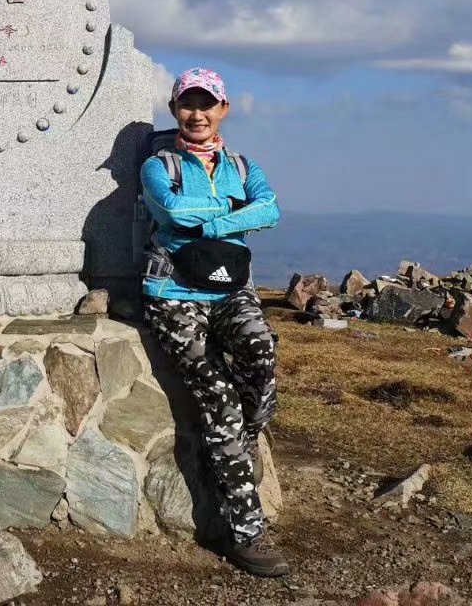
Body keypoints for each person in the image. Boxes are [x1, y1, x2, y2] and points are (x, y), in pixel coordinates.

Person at [139, 67, 286, 578]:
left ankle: (244, 441)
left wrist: (217, 216)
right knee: (217, 398)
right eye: (187, 104)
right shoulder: (159, 165)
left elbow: (270, 209)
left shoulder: (243, 165)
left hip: (230, 287)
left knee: (261, 352)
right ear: (175, 109)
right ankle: (246, 533)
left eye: (208, 104)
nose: (196, 114)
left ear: (224, 109)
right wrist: (233, 211)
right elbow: (174, 214)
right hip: (173, 292)